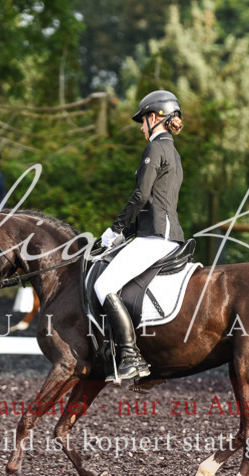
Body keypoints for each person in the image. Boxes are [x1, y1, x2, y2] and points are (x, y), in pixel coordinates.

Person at [94, 90, 185, 384]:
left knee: (103, 283)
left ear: (154, 118)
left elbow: (140, 196)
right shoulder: (173, 152)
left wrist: (115, 229)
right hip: (165, 233)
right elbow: (156, 204)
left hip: (156, 238)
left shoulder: (155, 149)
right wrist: (128, 235)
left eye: (142, 120)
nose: (140, 126)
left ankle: (130, 356)